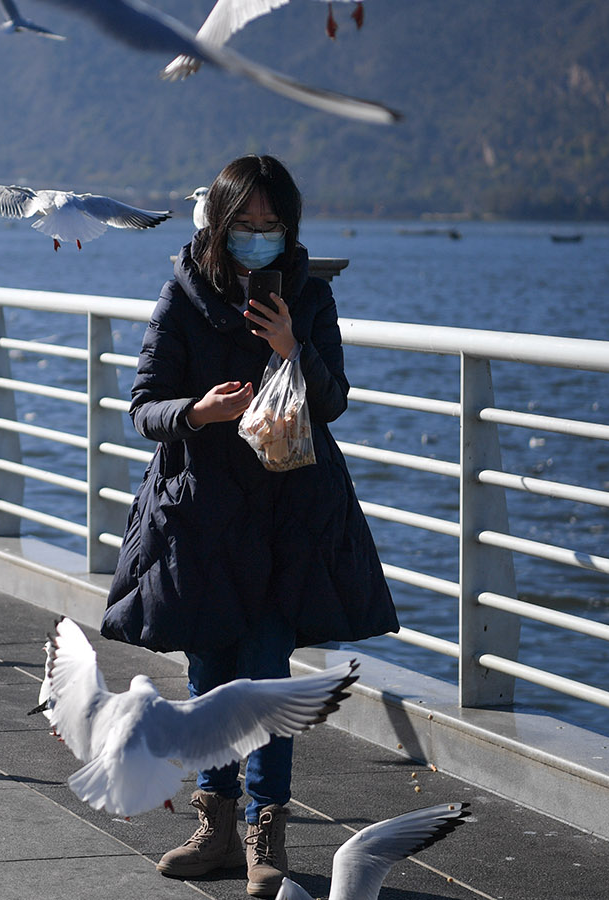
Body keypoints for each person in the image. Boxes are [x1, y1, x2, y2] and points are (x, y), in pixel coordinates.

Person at [102, 155, 398, 897]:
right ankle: (215, 826)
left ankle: (267, 832)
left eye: (273, 227)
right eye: (247, 226)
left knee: (265, 678)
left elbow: (332, 404)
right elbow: (145, 406)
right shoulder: (183, 294)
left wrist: (292, 348)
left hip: (286, 517)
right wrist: (198, 413)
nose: (260, 239)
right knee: (208, 677)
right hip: (200, 518)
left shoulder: (308, 296)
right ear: (219, 225)